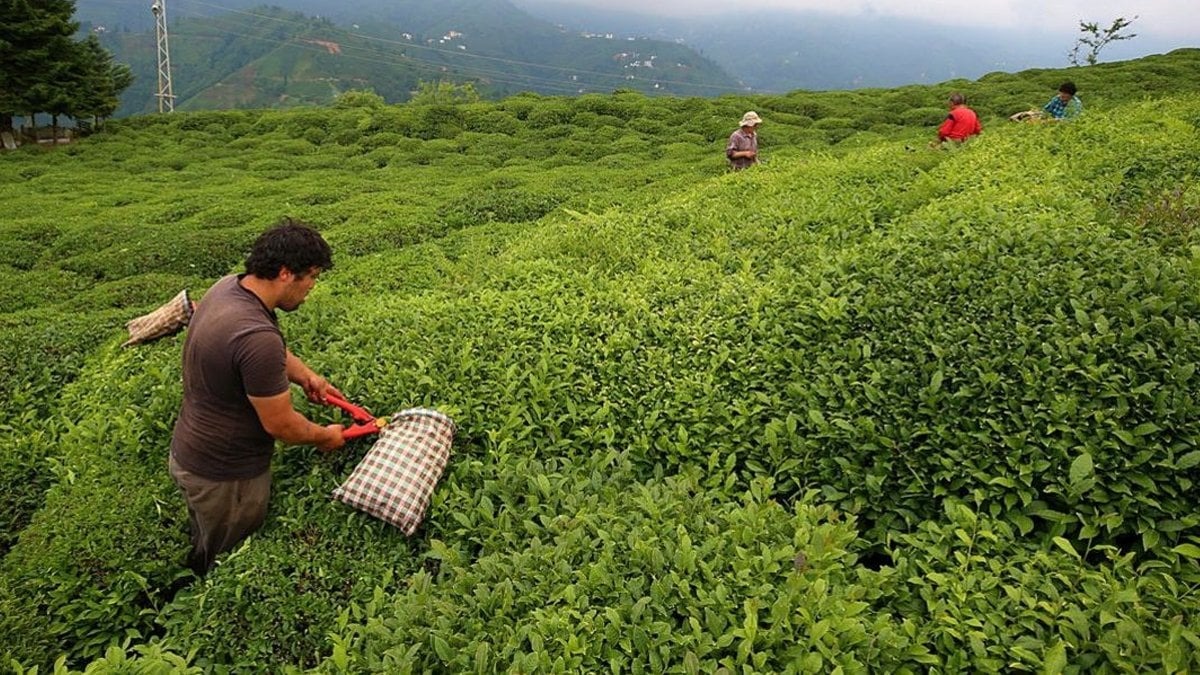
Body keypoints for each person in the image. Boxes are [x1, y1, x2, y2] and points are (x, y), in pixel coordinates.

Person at [169, 218, 346, 575]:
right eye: (310, 276)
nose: (312, 287)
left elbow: (258, 352)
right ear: (285, 273)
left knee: (206, 534)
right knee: (227, 563)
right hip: (226, 477)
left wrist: (306, 376)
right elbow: (282, 424)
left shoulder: (228, 289)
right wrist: (326, 436)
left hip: (192, 452)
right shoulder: (255, 336)